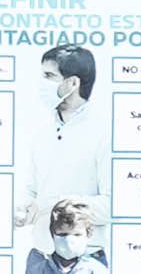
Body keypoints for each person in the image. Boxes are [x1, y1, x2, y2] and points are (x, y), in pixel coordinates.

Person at [14, 43, 109, 249]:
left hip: (84, 259)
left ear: (72, 83)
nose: (41, 83)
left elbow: (112, 206)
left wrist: (59, 204)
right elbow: (32, 191)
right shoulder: (42, 133)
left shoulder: (105, 133)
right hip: (41, 255)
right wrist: (24, 209)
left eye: (49, 76)